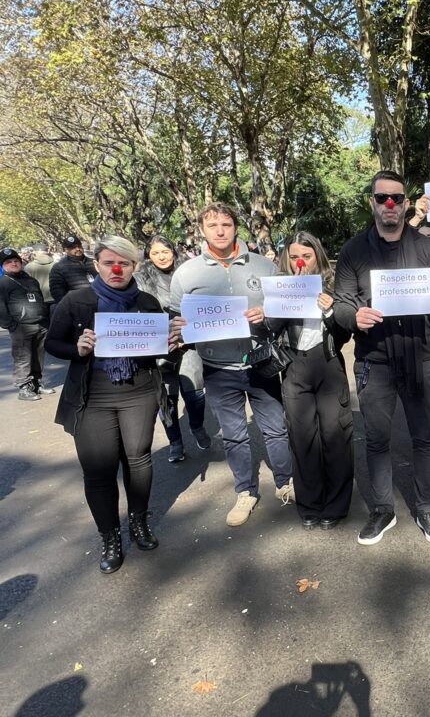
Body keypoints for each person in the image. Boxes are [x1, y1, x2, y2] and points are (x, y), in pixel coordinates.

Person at [333, 171, 430, 545]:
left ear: (407, 204)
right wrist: (352, 316)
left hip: (421, 358)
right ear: (371, 202)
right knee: (376, 439)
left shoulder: (425, 247)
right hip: (375, 360)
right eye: (382, 198)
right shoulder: (354, 250)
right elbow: (341, 304)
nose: (390, 204)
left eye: (397, 198)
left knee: (423, 437)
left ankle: (425, 508)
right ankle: (383, 510)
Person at [45, 236, 182, 573]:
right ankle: (109, 536)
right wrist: (76, 348)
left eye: (125, 263)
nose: (117, 269)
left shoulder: (148, 303)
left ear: (135, 266)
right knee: (99, 471)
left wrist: (175, 342)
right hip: (92, 397)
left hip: (138, 393)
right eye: (109, 263)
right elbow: (53, 343)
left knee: (139, 461)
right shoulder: (77, 302)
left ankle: (139, 522)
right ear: (97, 265)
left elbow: (160, 349)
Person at [169, 204, 295, 526]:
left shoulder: (265, 266)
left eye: (227, 224)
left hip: (261, 363)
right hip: (217, 368)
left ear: (236, 227)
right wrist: (180, 328)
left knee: (276, 429)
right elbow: (176, 318)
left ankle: (286, 482)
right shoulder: (186, 274)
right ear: (202, 229)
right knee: (235, 435)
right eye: (213, 225)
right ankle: (245, 492)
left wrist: (268, 316)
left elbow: (285, 309)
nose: (220, 230)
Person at [267, 233, 355, 530]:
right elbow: (270, 330)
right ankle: (309, 504)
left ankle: (336, 505)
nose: (300, 261)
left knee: (335, 435)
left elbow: (344, 334)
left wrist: (330, 310)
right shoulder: (278, 286)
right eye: (293, 256)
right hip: (294, 365)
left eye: (306, 255)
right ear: (286, 259)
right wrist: (280, 304)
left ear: (317, 254)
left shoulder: (332, 285)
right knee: (302, 437)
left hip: (327, 362)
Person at [135, 237, 211, 461]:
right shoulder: (139, 280)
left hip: (189, 343)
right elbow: (140, 315)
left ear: (173, 251)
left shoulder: (189, 273)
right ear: (149, 255)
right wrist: (164, 338)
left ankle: (197, 427)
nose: (161, 256)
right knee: (167, 397)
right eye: (156, 252)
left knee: (195, 392)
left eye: (165, 251)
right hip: (159, 347)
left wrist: (185, 336)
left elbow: (201, 306)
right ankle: (175, 442)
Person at [1, 247, 52, 401]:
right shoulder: (3, 283)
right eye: (9, 262)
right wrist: (10, 324)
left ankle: (36, 383)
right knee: (23, 358)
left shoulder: (30, 279)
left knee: (39, 356)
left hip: (40, 324)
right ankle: (24, 387)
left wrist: (44, 318)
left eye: (16, 260)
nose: (14, 263)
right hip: (20, 327)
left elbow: (39, 298)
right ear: (3, 266)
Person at [50, 235, 97, 304]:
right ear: (66, 250)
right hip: (77, 306)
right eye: (73, 247)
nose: (78, 249)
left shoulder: (93, 262)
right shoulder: (59, 267)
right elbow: (57, 291)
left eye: (79, 246)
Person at [23, 247, 55, 315]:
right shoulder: (57, 265)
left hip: (38, 300)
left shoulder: (28, 267)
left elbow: (26, 286)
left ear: (35, 253)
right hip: (56, 299)